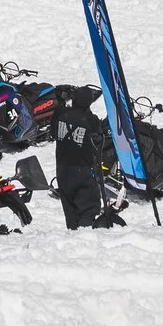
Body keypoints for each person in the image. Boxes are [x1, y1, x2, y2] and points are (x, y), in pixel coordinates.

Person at [51, 84, 122, 230]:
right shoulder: (91, 120)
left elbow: (53, 132)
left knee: (70, 210)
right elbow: (98, 142)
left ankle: (73, 236)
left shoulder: (60, 114)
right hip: (82, 170)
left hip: (62, 170)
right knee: (88, 208)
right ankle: (85, 239)